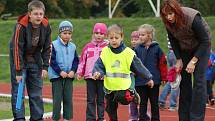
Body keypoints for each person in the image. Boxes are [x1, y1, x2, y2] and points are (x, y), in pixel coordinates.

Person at [160, 0, 212, 121]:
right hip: (184, 48)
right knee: (184, 81)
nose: (169, 17)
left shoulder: (192, 17)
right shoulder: (167, 22)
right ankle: (184, 117)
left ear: (176, 11)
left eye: (171, 14)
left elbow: (205, 41)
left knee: (199, 81)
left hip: (201, 46)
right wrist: (178, 59)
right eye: (166, 15)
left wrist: (193, 61)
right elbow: (173, 40)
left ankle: (196, 118)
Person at [93, 24, 154, 121]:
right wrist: (97, 72)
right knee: (110, 109)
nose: (113, 40)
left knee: (123, 98)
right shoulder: (105, 52)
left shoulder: (128, 53)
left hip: (124, 87)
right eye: (111, 38)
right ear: (107, 38)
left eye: (116, 38)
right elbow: (99, 65)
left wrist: (148, 77)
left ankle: (133, 95)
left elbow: (139, 67)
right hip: (110, 87)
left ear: (122, 37)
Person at [9, 0, 51, 120]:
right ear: (29, 14)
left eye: (41, 14)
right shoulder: (20, 26)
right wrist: (18, 71)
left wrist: (45, 67)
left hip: (35, 60)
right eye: (36, 14)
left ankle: (37, 118)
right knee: (19, 93)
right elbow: (17, 49)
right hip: (20, 60)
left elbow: (48, 47)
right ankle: (19, 118)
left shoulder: (46, 26)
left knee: (36, 93)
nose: (39, 16)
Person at [134, 24, 168, 121]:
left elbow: (163, 63)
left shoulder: (157, 48)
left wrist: (164, 77)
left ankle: (155, 119)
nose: (140, 37)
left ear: (149, 35)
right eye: (139, 35)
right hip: (140, 81)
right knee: (142, 103)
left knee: (154, 103)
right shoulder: (136, 49)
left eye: (143, 35)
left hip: (154, 80)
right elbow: (132, 64)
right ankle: (142, 119)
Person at [48, 20, 79, 121]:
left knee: (68, 99)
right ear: (60, 33)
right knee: (57, 100)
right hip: (57, 77)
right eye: (64, 33)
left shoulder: (73, 46)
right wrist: (60, 72)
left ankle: (67, 118)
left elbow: (75, 60)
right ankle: (55, 118)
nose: (67, 35)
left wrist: (73, 71)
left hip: (69, 77)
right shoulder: (54, 45)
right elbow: (51, 60)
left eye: (69, 33)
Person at [77, 23, 108, 121]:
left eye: (101, 33)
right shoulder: (87, 47)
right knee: (90, 100)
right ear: (93, 34)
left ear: (105, 35)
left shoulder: (107, 48)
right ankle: (90, 118)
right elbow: (82, 61)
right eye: (96, 33)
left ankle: (101, 118)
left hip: (102, 78)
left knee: (101, 100)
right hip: (90, 77)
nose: (99, 35)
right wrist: (80, 72)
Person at [159, 41, 180, 111]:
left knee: (169, 85)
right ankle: (172, 105)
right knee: (175, 87)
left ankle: (161, 101)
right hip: (175, 53)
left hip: (171, 52)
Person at [128, 31, 140, 121]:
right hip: (131, 78)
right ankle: (133, 115)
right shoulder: (129, 51)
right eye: (132, 39)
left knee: (141, 98)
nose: (134, 41)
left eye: (136, 39)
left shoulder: (142, 50)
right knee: (131, 97)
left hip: (140, 78)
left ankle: (143, 114)